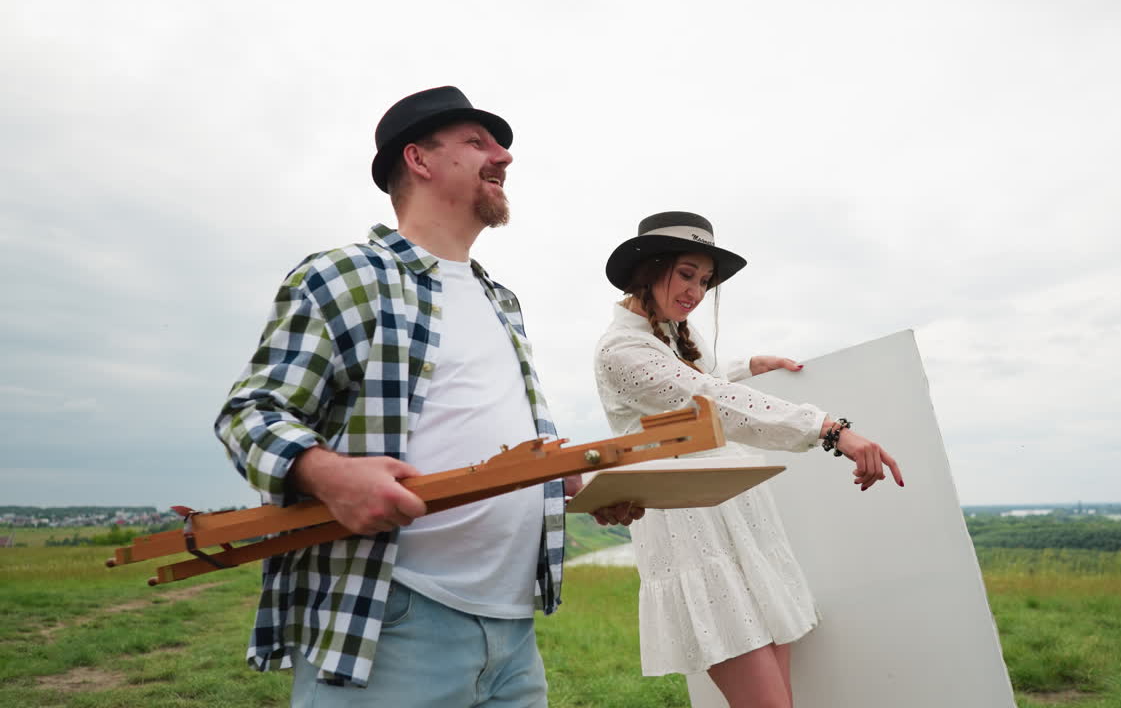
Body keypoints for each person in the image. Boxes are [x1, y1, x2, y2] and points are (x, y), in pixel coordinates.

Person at [214, 86, 636, 707]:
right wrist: (327, 474)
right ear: (419, 159)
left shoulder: (502, 301)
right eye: (477, 142)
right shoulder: (346, 275)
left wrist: (569, 482)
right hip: (392, 617)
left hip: (513, 631)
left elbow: (482, 440)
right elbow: (250, 414)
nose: (504, 157)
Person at [592, 211, 905, 708]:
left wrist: (748, 366)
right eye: (687, 274)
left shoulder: (668, 338)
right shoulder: (622, 349)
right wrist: (829, 429)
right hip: (692, 533)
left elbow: (705, 380)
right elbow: (706, 399)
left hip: (737, 519)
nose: (697, 291)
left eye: (705, 280)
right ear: (649, 269)